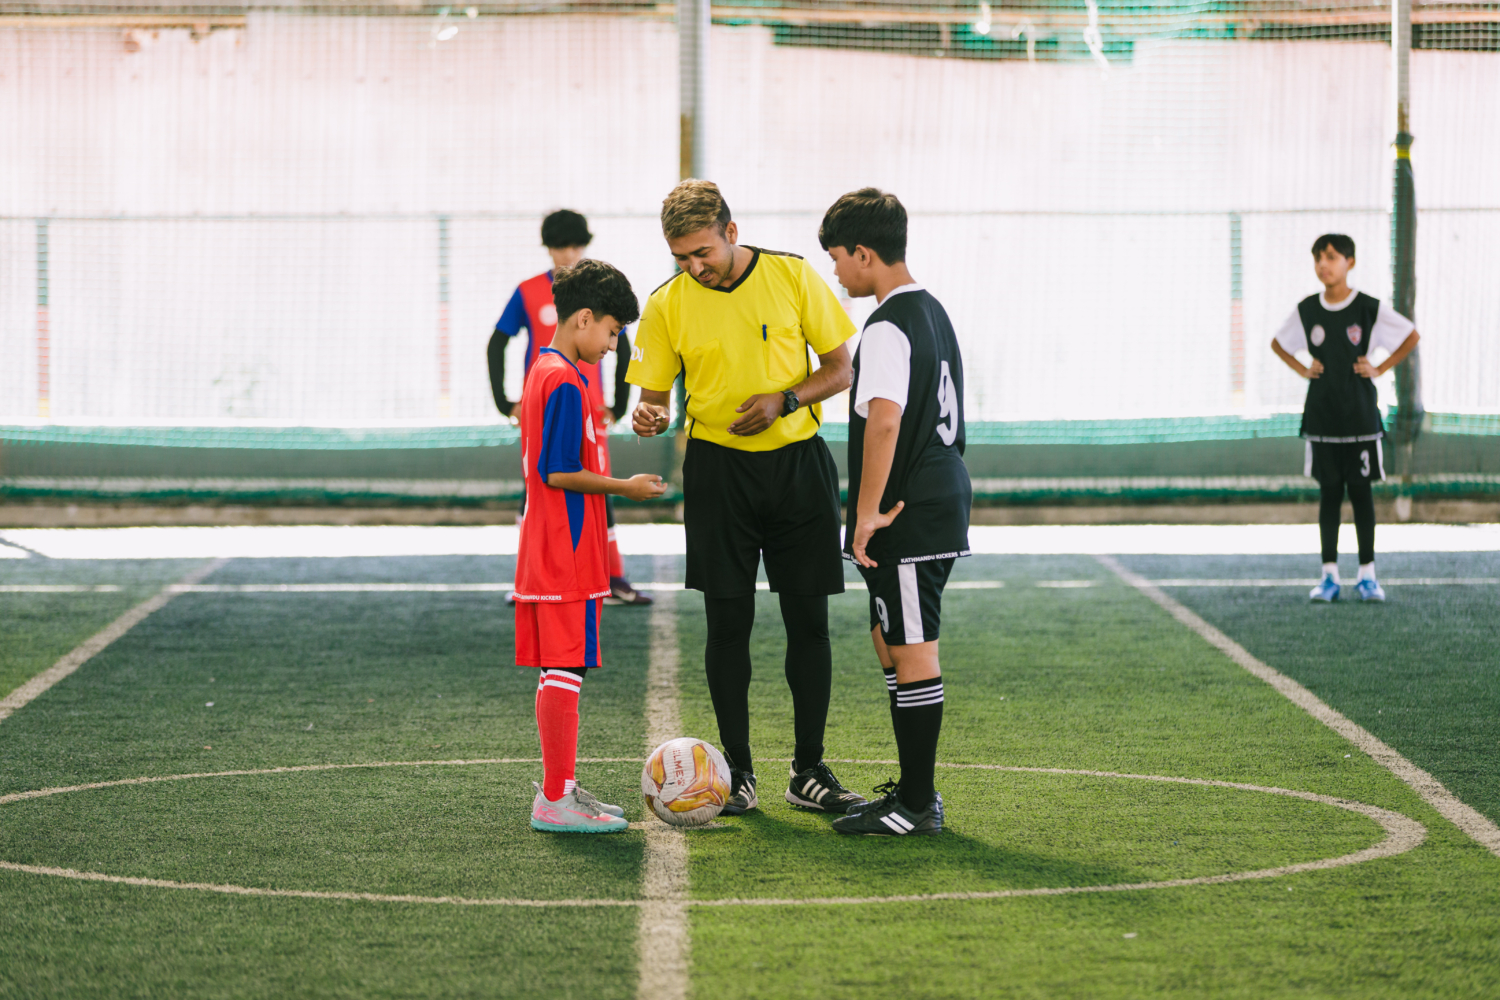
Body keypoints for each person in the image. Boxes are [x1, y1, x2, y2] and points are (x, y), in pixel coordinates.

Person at [628, 179, 867, 816]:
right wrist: (648, 415)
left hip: (799, 469)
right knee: (727, 625)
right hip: (717, 475)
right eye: (680, 257)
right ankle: (737, 773)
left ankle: (809, 770)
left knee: (807, 625)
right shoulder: (667, 304)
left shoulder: (792, 277)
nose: (693, 267)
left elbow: (842, 369)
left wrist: (785, 399)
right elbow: (650, 398)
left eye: (702, 252)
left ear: (732, 233)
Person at [816, 188, 970, 836]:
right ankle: (911, 792)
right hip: (936, 495)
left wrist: (867, 513)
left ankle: (916, 805)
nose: (836, 272)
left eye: (837, 259)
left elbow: (884, 422)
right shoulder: (931, 310)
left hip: (910, 507)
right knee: (887, 636)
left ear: (865, 252)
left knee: (912, 648)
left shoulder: (885, 325)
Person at [516, 259, 667, 833]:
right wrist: (624, 488)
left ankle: (562, 790)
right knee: (565, 668)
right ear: (584, 319)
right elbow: (558, 472)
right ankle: (554, 800)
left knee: (566, 667)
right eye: (610, 332)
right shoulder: (562, 379)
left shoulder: (549, 369)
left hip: (559, 543)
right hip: (562, 545)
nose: (612, 345)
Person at [489, 209, 652, 606]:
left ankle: (610, 577)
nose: (568, 254)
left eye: (576, 245)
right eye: (561, 246)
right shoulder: (529, 291)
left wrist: (617, 403)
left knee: (588, 487)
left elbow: (624, 343)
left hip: (588, 408)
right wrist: (504, 402)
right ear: (548, 248)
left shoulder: (596, 293)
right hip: (545, 402)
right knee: (543, 485)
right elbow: (497, 342)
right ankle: (532, 579)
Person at [1271, 234, 1420, 603]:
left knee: (1361, 493)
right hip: (1322, 418)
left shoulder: (1367, 308)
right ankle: (1329, 576)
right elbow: (1278, 344)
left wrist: (1380, 367)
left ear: (1349, 262)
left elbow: (1410, 335)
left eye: (1332, 257)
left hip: (1360, 419)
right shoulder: (1307, 310)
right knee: (1329, 495)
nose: (1324, 264)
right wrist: (1303, 368)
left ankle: (1368, 575)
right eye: (1318, 258)